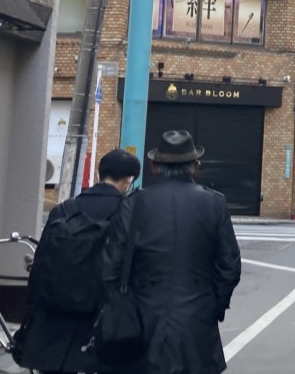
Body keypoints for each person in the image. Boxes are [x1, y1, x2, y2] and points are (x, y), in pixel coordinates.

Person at [101, 130, 242, 374]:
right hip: (197, 319)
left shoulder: (134, 203)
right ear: (195, 166)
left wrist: (120, 305)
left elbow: (112, 263)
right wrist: (214, 305)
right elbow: (229, 265)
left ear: (155, 166)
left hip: (141, 320)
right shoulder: (214, 203)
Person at [16, 149, 139, 374]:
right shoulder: (126, 213)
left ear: (101, 173)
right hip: (95, 316)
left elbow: (41, 262)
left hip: (53, 314)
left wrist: (31, 311)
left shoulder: (64, 209)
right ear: (128, 179)